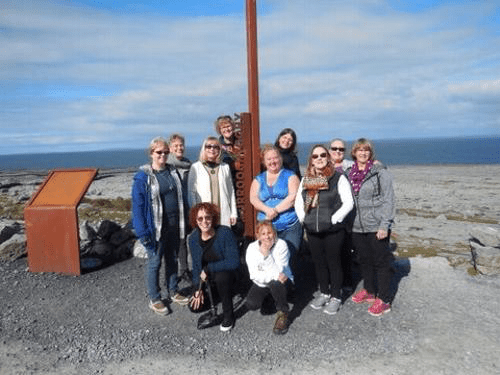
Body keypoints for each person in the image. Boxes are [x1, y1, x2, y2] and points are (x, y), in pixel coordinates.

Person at [131, 137, 189, 316]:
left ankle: (173, 290)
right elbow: (138, 206)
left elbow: (181, 197)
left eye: (165, 152)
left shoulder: (172, 171)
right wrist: (141, 232)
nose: (163, 155)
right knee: (155, 262)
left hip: (174, 223)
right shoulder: (143, 177)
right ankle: (155, 298)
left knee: (172, 259)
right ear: (151, 154)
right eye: (159, 152)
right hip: (155, 227)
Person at [295, 145, 354, 315]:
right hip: (312, 229)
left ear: (328, 157)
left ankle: (336, 296)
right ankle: (324, 292)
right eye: (315, 156)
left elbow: (348, 202)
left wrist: (334, 219)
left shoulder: (338, 178)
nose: (319, 158)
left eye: (322, 155)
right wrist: (303, 219)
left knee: (334, 262)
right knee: (319, 263)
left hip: (333, 230)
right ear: (311, 160)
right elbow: (299, 202)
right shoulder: (307, 179)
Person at [346, 138, 395, 317]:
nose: (363, 153)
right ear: (354, 153)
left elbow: (389, 199)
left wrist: (385, 224)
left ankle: (384, 299)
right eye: (359, 150)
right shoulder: (349, 172)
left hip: (376, 225)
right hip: (356, 226)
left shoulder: (380, 172)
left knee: (381, 262)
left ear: (370, 153)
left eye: (366, 150)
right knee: (364, 260)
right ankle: (369, 290)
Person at [187, 202, 240, 331]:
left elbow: (234, 262)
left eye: (208, 217)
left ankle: (229, 315)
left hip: (228, 275)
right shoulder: (193, 238)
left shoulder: (224, 233)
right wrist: (197, 289)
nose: (204, 222)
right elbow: (196, 266)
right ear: (195, 220)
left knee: (222, 277)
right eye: (200, 218)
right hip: (207, 278)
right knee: (195, 307)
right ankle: (216, 296)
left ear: (213, 218)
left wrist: (209, 269)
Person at [249, 145, 302, 256]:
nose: (273, 161)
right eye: (269, 159)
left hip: (290, 226)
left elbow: (293, 197)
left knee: (289, 258)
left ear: (280, 159)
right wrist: (267, 210)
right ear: (264, 161)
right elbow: (253, 198)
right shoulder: (258, 179)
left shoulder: (291, 176)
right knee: (267, 257)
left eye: (275, 158)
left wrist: (275, 210)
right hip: (266, 226)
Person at [244, 221, 293, 335]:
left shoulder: (281, 245)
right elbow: (254, 275)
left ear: (274, 233)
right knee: (252, 304)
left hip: (283, 281)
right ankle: (271, 297)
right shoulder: (252, 248)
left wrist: (266, 256)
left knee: (275, 283)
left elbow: (280, 272)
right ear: (258, 236)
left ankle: (283, 313)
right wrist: (273, 275)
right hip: (262, 282)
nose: (267, 236)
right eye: (263, 234)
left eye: (269, 233)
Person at [187, 136, 238, 227]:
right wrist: (196, 213)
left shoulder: (225, 167)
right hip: (204, 216)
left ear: (219, 150)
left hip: (223, 214)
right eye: (209, 146)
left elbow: (230, 191)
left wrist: (233, 213)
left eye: (215, 147)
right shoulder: (196, 167)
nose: (212, 149)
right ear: (204, 148)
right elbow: (191, 193)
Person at [166, 133, 192, 287]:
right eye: (175, 145)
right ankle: (171, 275)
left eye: (181, 145)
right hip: (172, 210)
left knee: (183, 240)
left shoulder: (189, 164)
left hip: (186, 208)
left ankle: (184, 270)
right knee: (171, 243)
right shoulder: (167, 165)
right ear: (170, 148)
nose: (179, 148)